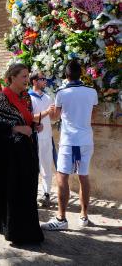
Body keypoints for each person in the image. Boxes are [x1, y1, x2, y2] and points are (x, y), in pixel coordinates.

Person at [0, 63, 44, 244]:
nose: (27, 80)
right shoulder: (3, 98)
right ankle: (15, 231)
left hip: (26, 152)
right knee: (14, 192)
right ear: (13, 77)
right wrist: (18, 128)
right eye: (23, 76)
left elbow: (27, 121)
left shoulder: (26, 98)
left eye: (27, 76)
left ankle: (27, 227)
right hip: (10, 157)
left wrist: (34, 126)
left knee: (27, 191)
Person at [41, 60, 98, 230]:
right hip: (87, 139)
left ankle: (61, 219)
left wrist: (52, 110)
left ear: (66, 76)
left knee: (62, 177)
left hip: (70, 141)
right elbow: (93, 116)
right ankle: (84, 216)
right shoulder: (92, 92)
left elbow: (55, 117)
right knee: (83, 176)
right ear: (81, 74)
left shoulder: (62, 93)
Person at [28, 71, 55, 207]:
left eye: (45, 79)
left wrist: (55, 112)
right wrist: (46, 112)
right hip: (33, 137)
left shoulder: (48, 98)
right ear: (34, 81)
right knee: (32, 167)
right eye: (42, 79)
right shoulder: (27, 97)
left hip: (47, 137)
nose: (45, 81)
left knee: (47, 165)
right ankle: (31, 193)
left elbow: (53, 117)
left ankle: (46, 193)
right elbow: (31, 117)